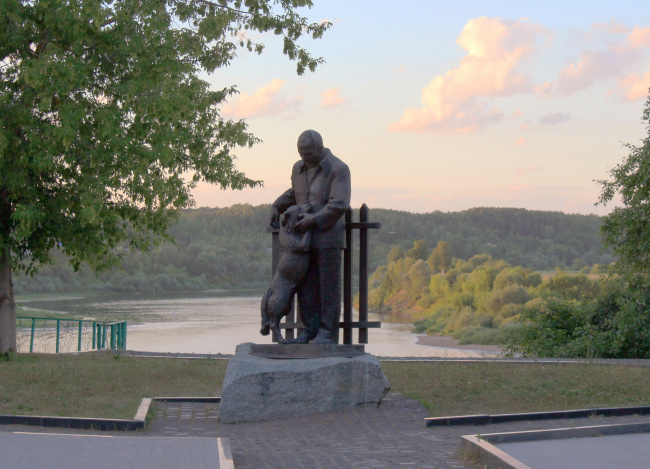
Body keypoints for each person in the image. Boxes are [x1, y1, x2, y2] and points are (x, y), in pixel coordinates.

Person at [269, 130, 351, 344]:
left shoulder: (338, 168)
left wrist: (314, 220)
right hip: (303, 241)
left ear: (320, 147)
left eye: (308, 153)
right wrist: (277, 205)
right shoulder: (298, 169)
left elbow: (338, 204)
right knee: (306, 287)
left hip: (327, 238)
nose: (304, 157)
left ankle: (326, 332)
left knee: (328, 288)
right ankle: (309, 330)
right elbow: (295, 193)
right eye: (301, 153)